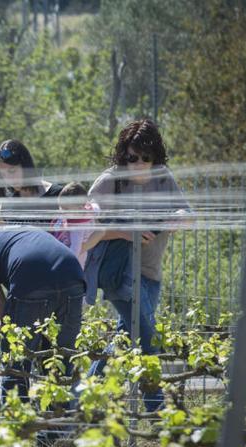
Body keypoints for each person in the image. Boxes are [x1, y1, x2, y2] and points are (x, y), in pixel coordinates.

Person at [86, 118, 190, 411]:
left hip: (151, 272)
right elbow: (85, 226)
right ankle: (157, 414)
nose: (139, 164)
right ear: (123, 156)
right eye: (132, 158)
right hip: (118, 273)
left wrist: (177, 217)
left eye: (146, 158)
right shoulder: (110, 181)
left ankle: (82, 402)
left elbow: (187, 211)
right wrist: (126, 231)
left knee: (124, 338)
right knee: (148, 340)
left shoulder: (163, 178)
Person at [0, 227, 85, 400]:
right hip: (72, 274)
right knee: (60, 363)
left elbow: (4, 315)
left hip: (31, 277)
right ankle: (60, 424)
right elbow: (9, 312)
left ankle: (17, 424)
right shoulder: (12, 234)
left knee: (16, 365)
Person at [0, 139, 65, 225]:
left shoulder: (58, 195)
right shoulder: (6, 203)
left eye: (12, 171)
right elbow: (0, 236)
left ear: (25, 165)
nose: (9, 179)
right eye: (3, 175)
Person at [50, 182, 103, 269]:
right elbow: (95, 207)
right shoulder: (85, 211)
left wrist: (62, 263)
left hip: (74, 263)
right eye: (60, 207)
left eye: (65, 209)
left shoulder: (78, 227)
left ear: (80, 208)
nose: (62, 211)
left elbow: (75, 249)